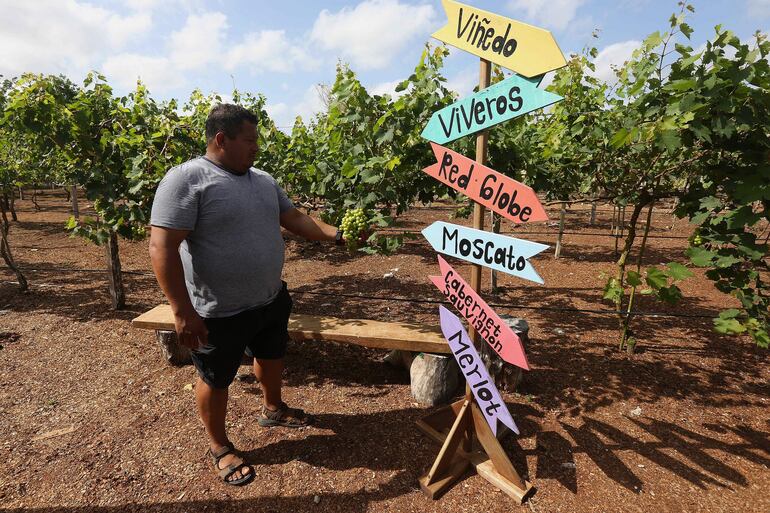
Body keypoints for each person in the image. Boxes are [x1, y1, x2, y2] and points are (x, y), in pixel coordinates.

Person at [149, 104, 344, 486]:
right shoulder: (186, 180)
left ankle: (273, 408)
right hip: (218, 310)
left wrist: (337, 234)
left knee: (272, 356)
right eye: (250, 140)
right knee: (215, 377)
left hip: (269, 298)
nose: (257, 148)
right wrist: (182, 311)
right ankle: (219, 445)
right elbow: (162, 248)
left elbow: (295, 219)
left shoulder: (264, 180)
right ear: (221, 140)